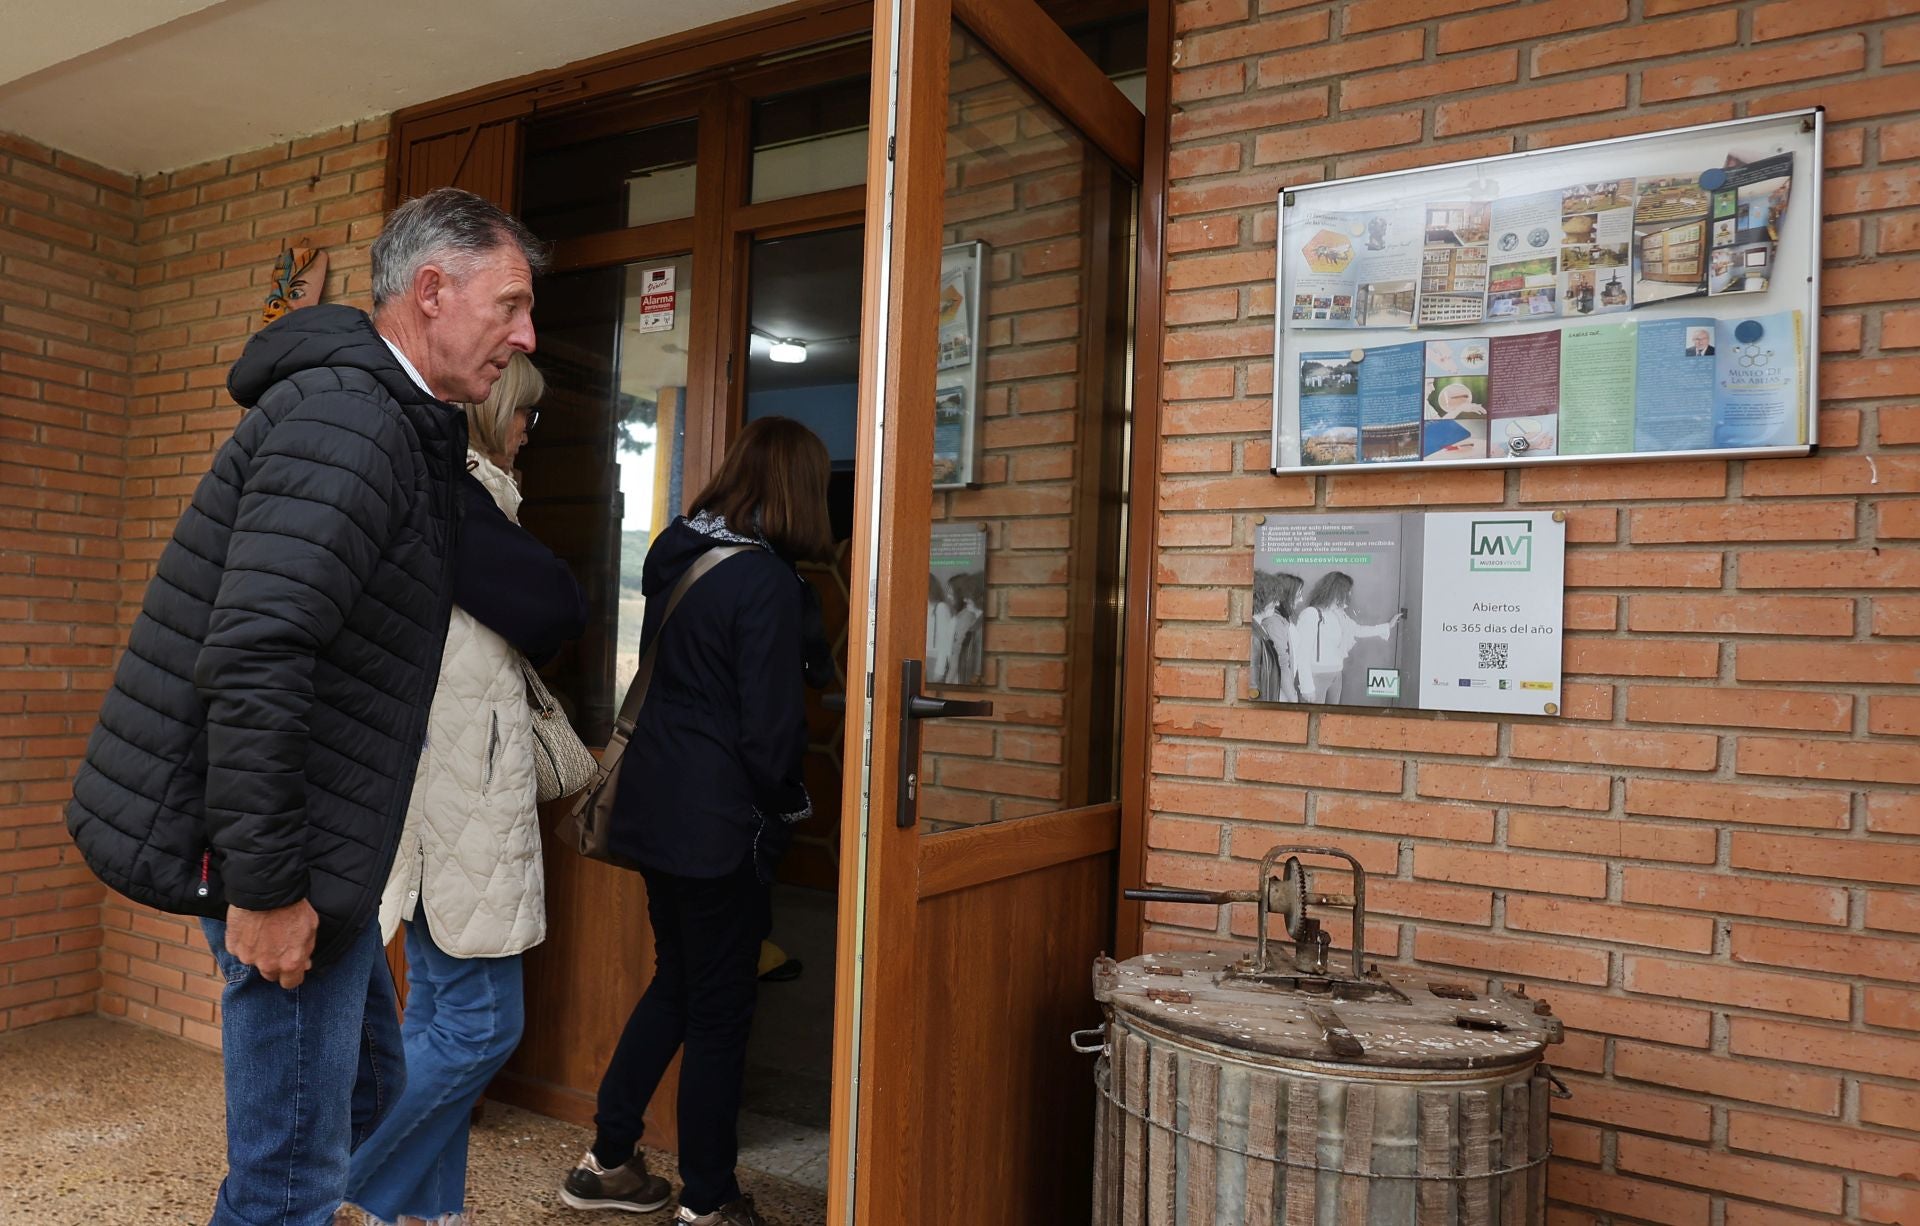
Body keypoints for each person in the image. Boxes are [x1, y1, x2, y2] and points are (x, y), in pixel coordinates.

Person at [65, 186, 544, 1226]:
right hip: (281, 855)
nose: (526, 334)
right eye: (508, 304)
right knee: (286, 1185)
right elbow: (258, 651)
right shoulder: (352, 418)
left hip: (324, 852)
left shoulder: (395, 417)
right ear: (431, 292)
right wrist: (270, 886)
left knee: (365, 1100)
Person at [560, 417, 833, 1226]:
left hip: (656, 809)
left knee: (678, 982)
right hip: (720, 827)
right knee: (720, 1008)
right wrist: (785, 809)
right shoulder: (769, 586)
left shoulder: (681, 556)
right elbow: (771, 733)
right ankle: (709, 1199)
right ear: (799, 491)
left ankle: (608, 1158)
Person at [340, 354, 585, 1226]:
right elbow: (557, 608)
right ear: (496, 417)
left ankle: (429, 1213)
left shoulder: (454, 493)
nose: (530, 434)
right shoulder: (458, 496)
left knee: (438, 1023)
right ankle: (349, 1195)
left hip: (439, 788)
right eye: (527, 417)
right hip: (458, 795)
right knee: (480, 1027)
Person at [1292, 572, 1405, 705]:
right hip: (1316, 677)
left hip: (1336, 675)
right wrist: (1306, 687)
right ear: (1337, 591)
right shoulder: (1311, 614)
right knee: (1312, 718)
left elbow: (1358, 630)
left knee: (1330, 718)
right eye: (1347, 591)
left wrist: (1388, 626)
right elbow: (1302, 653)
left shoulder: (1339, 615)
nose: (1349, 595)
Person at [1249, 570, 1304, 702]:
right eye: (1274, 598)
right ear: (1262, 598)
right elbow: (1281, 663)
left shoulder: (1266, 625)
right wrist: (1292, 697)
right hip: (1276, 693)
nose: (1278, 603)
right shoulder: (1267, 627)